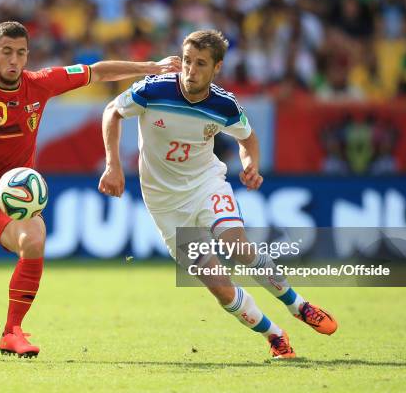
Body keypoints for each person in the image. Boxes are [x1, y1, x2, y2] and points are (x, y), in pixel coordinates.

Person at [0, 21, 181, 359]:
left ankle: (12, 331)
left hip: (11, 200)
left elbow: (96, 72)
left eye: (21, 53)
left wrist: (151, 67)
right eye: (7, 53)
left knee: (34, 238)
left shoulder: (40, 84)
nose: (14, 60)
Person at [98, 30, 337, 359]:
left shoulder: (223, 105)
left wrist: (251, 164)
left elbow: (248, 139)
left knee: (238, 246)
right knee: (220, 287)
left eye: (200, 63)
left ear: (217, 68)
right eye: (186, 61)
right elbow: (112, 111)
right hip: (165, 205)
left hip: (205, 184)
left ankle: (299, 306)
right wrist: (112, 164)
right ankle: (274, 335)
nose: (190, 70)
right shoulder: (153, 90)